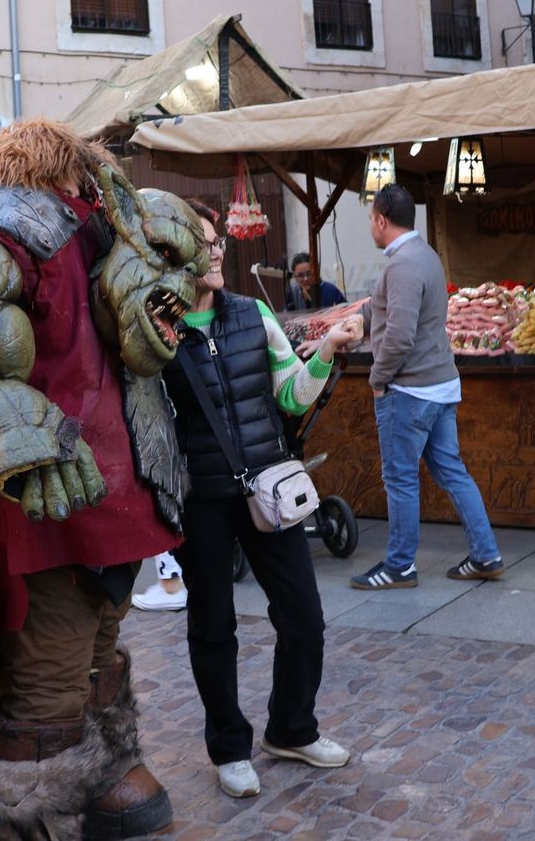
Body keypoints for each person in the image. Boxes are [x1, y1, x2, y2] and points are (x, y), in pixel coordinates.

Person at [0, 119, 206, 840]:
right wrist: (23, 431)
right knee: (47, 672)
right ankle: (21, 807)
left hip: (110, 491)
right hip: (46, 496)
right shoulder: (9, 225)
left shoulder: (94, 222)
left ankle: (99, 776)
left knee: (98, 646)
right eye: (77, 181)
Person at [161, 199, 361, 798]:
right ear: (169, 254)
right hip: (203, 501)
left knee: (304, 617)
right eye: (203, 241)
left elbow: (293, 398)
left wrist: (324, 352)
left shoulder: (252, 314)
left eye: (218, 238)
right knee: (214, 626)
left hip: (269, 490)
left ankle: (291, 728)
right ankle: (228, 747)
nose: (218, 248)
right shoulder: (154, 334)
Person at [351, 183, 503, 591]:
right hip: (439, 384)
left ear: (381, 220)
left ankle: (400, 565)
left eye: (370, 218)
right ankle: (486, 553)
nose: (370, 224)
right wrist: (366, 317)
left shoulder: (401, 264)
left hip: (409, 391)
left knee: (400, 479)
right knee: (452, 470)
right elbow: (393, 309)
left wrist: (377, 379)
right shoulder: (425, 256)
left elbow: (399, 335)